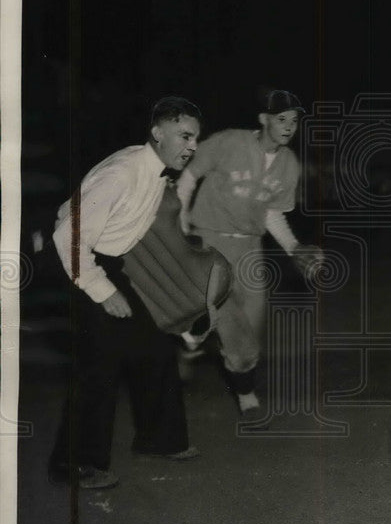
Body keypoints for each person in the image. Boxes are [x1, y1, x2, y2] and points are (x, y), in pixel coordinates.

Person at [48, 96, 203, 490]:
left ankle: (160, 439)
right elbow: (67, 237)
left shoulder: (155, 169)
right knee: (99, 366)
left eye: (196, 138)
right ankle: (73, 464)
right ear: (157, 133)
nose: (193, 146)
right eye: (185, 136)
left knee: (156, 343)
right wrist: (103, 291)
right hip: (82, 264)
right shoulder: (122, 173)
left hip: (114, 261)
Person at [176, 86, 323, 416]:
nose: (288, 127)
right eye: (281, 119)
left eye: (294, 121)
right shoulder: (230, 141)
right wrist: (183, 223)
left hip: (249, 247)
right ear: (263, 119)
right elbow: (190, 175)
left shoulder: (288, 164)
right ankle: (244, 393)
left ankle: (195, 340)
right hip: (209, 239)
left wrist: (294, 247)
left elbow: (272, 212)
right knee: (228, 320)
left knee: (252, 324)